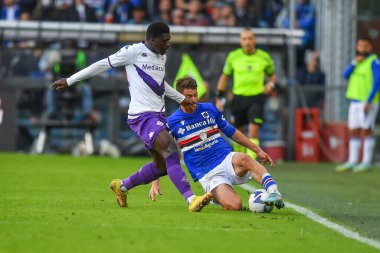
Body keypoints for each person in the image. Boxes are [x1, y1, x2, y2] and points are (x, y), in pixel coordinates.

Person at [51, 22, 212, 211]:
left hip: (157, 115)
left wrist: (181, 99)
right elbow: (101, 65)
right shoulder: (132, 52)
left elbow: (160, 84)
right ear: (152, 40)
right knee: (170, 149)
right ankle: (190, 199)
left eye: (169, 40)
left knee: (161, 167)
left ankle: (122, 186)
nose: (168, 44)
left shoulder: (162, 56)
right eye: (164, 41)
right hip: (142, 116)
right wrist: (70, 80)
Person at [149, 76, 284, 210]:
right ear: (178, 97)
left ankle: (274, 192)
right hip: (208, 173)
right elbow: (162, 151)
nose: (194, 100)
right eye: (188, 96)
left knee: (245, 158)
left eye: (195, 95)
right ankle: (215, 196)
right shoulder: (172, 122)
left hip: (226, 158)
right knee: (235, 206)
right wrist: (155, 181)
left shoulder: (209, 109)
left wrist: (257, 150)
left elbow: (231, 131)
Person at [215, 28, 276, 160]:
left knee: (253, 132)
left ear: (255, 40)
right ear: (240, 41)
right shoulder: (233, 56)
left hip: (257, 98)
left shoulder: (264, 57)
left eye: (250, 38)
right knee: (238, 133)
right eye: (244, 39)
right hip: (238, 99)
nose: (247, 41)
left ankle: (251, 164)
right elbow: (224, 77)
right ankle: (241, 160)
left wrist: (270, 85)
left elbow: (272, 76)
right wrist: (220, 98)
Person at [335, 36, 380, 173]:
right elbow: (345, 74)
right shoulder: (357, 61)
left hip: (367, 102)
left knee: (366, 129)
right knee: (354, 130)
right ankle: (352, 161)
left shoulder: (374, 62)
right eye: (359, 45)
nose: (361, 48)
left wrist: (369, 100)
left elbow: (377, 81)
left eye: (365, 46)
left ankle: (366, 162)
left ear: (370, 47)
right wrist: (354, 63)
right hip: (354, 101)